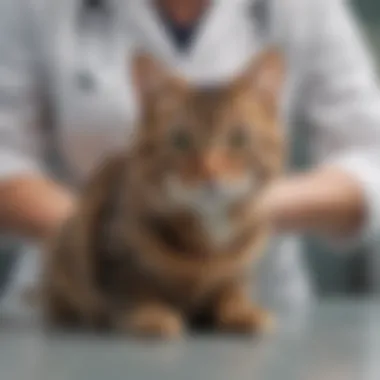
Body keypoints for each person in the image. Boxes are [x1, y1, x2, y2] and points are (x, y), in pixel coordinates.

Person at [0, 0, 380, 316]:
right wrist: (98, 234)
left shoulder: (304, 8)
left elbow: (369, 157)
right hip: (85, 304)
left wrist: (243, 209)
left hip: (255, 300)